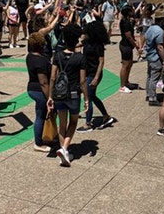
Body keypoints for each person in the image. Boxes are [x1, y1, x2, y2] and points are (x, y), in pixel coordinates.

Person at [48, 24, 89, 167]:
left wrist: (50, 96)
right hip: (73, 93)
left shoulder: (57, 55)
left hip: (59, 93)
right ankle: (65, 148)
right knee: (73, 122)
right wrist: (86, 98)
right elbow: (83, 80)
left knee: (62, 124)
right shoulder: (80, 57)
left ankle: (64, 152)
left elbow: (53, 77)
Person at [77, 21, 115, 133]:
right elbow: (79, 43)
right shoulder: (87, 41)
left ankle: (88, 124)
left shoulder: (98, 45)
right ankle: (106, 116)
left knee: (87, 97)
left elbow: (101, 62)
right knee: (92, 96)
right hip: (87, 73)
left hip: (94, 74)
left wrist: (96, 78)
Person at [26, 32, 52, 152]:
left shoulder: (29, 56)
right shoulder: (41, 61)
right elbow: (43, 82)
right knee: (40, 116)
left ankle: (41, 138)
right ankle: (38, 143)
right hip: (40, 90)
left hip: (32, 87)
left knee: (40, 115)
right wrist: (49, 98)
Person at [144, 11, 164, 106]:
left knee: (149, 76)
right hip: (156, 57)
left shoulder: (150, 28)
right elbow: (160, 47)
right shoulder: (159, 31)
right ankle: (152, 98)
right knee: (154, 77)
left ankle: (149, 94)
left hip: (149, 55)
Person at [118, 6, 140, 93]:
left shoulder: (127, 21)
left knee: (129, 64)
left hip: (128, 46)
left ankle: (126, 82)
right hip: (125, 46)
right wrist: (136, 45)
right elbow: (129, 36)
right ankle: (122, 86)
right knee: (125, 65)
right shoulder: (125, 23)